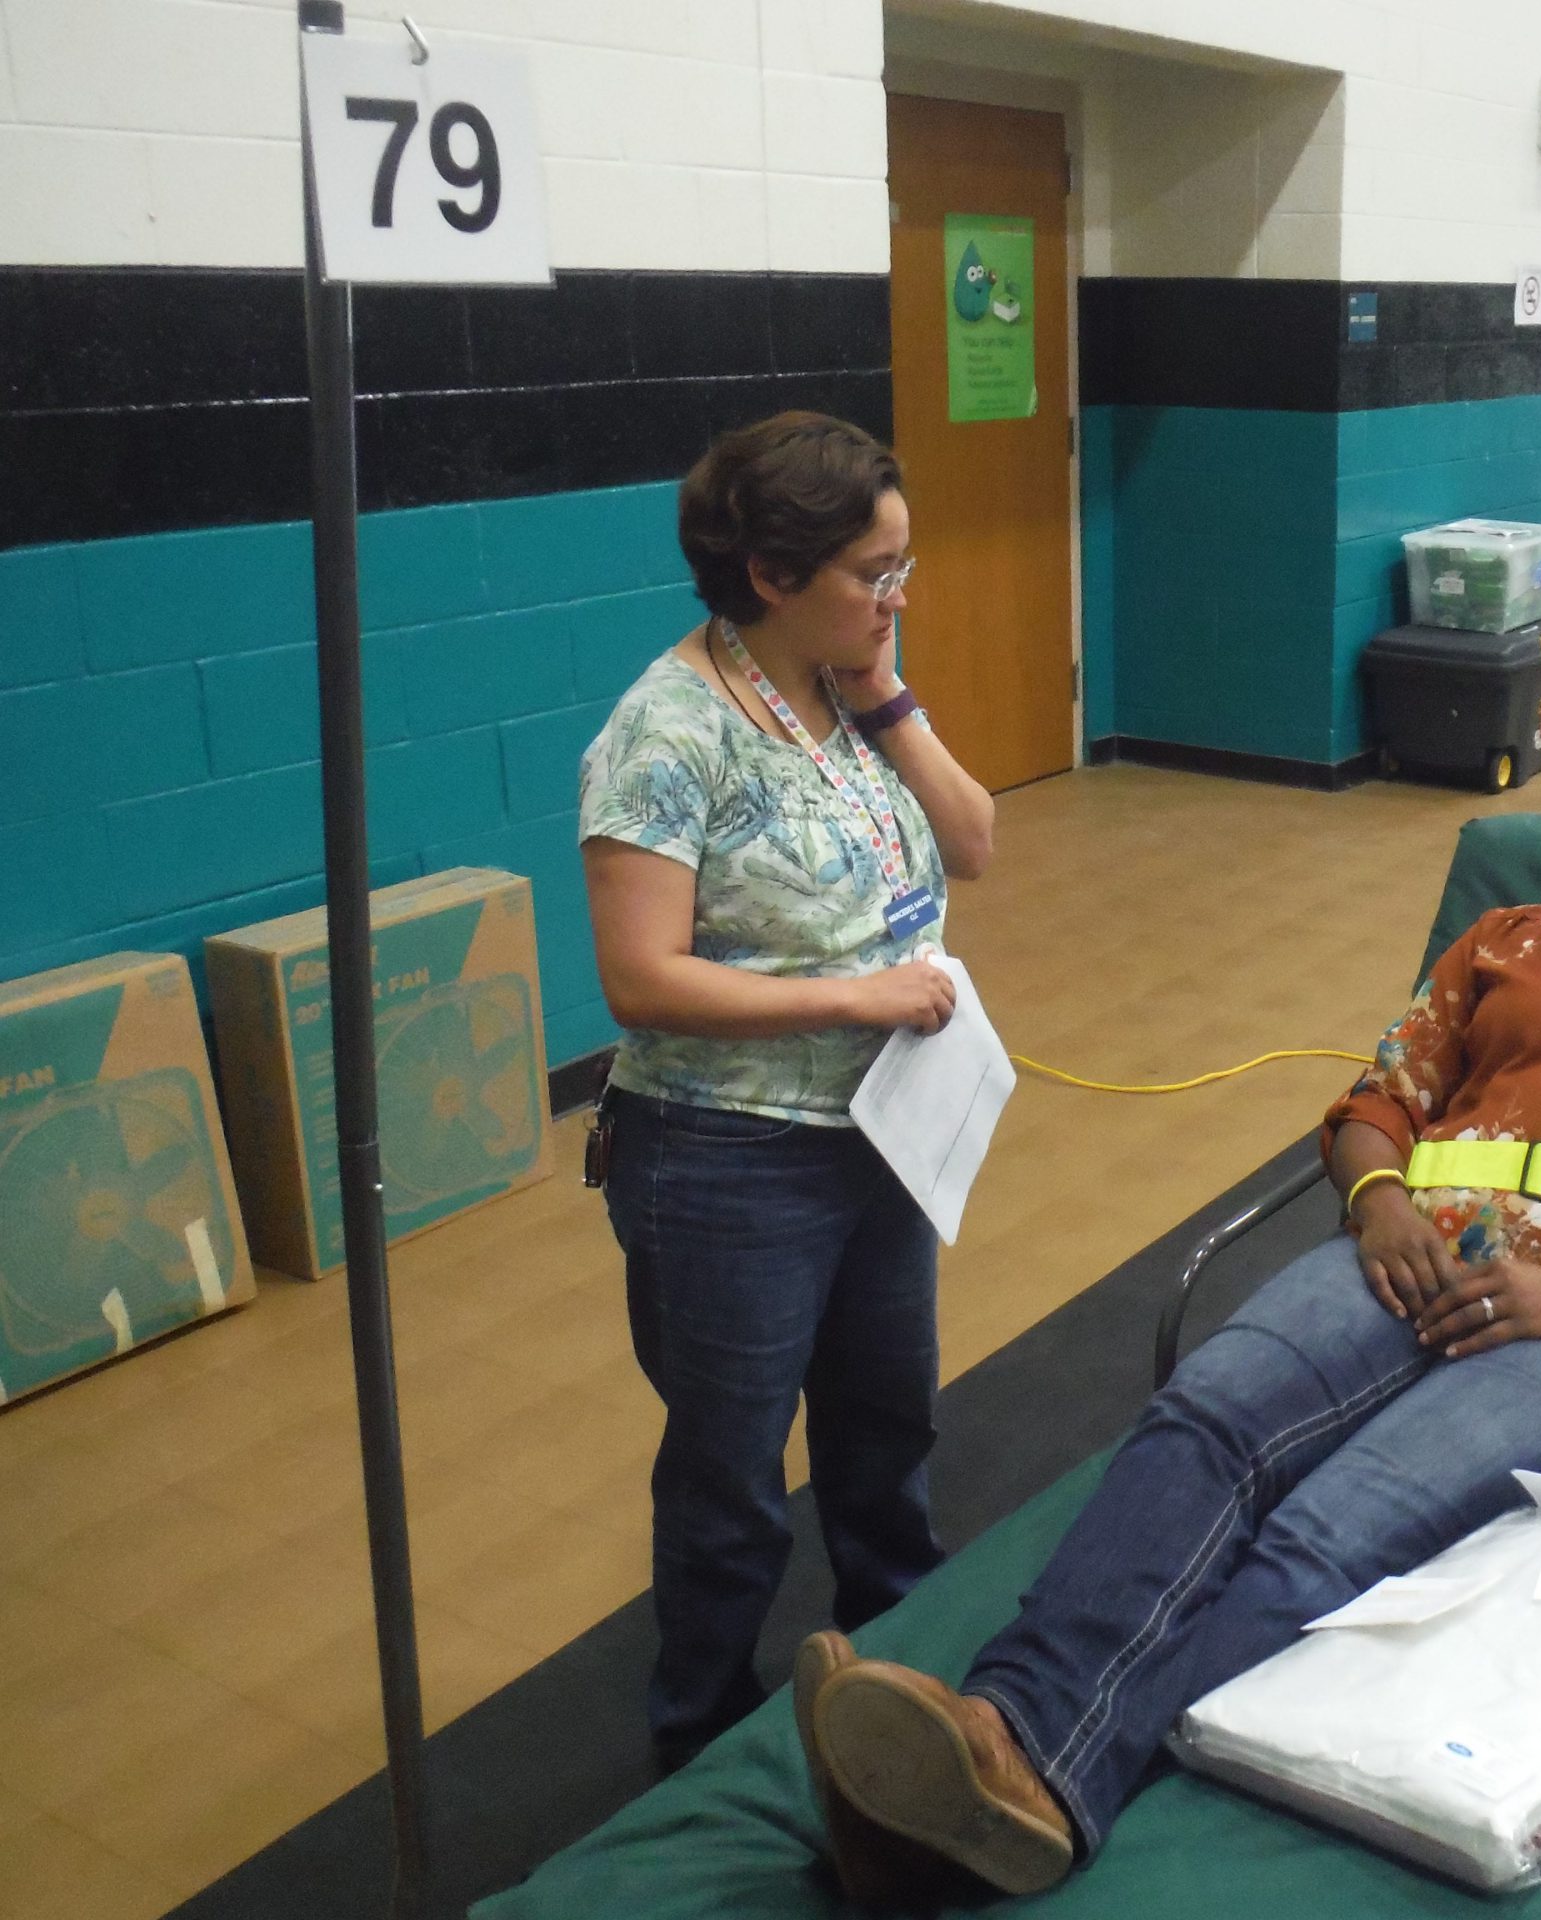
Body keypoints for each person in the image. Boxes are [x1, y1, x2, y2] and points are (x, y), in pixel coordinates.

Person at [792, 706, 1541, 1897]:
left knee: (1333, 1531)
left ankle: (1027, 1778)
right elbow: (1375, 1102)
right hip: (1406, 1265)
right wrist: (1379, 1205)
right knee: (1205, 1420)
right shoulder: (1510, 941)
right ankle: (997, 1736)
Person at [577, 411, 996, 1770]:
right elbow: (640, 981)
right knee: (731, 1478)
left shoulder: (847, 683)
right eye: (874, 570)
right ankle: (698, 1740)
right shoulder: (667, 731)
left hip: (877, 1136)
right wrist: (854, 996)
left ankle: (906, 1678)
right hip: (727, 1156)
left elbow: (975, 841)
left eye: (903, 567)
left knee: (886, 1429)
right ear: (770, 572)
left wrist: (888, 693)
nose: (896, 595)